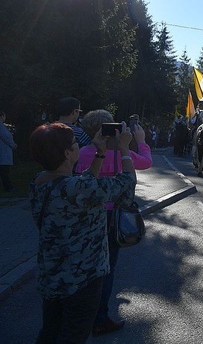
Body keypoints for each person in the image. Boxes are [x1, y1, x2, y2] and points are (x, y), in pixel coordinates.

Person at [30, 122, 136, 343]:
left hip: (52, 274)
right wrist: (125, 150)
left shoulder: (39, 181)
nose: (79, 145)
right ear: (68, 153)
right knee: (73, 336)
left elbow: (83, 185)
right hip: (83, 279)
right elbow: (126, 185)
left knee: (50, 332)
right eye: (76, 143)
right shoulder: (76, 189)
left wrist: (100, 153)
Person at [75, 110, 152, 336]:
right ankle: (100, 319)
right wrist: (141, 142)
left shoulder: (81, 153)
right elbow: (146, 163)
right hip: (111, 218)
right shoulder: (119, 154)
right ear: (112, 129)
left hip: (86, 217)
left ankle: (83, 316)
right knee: (106, 270)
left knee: (87, 268)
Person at [0, 110, 17, 192]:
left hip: (4, 150)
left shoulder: (3, 126)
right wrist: (13, 144)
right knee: (4, 171)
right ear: (2, 116)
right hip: (3, 151)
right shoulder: (1, 127)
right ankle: (8, 187)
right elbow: (6, 137)